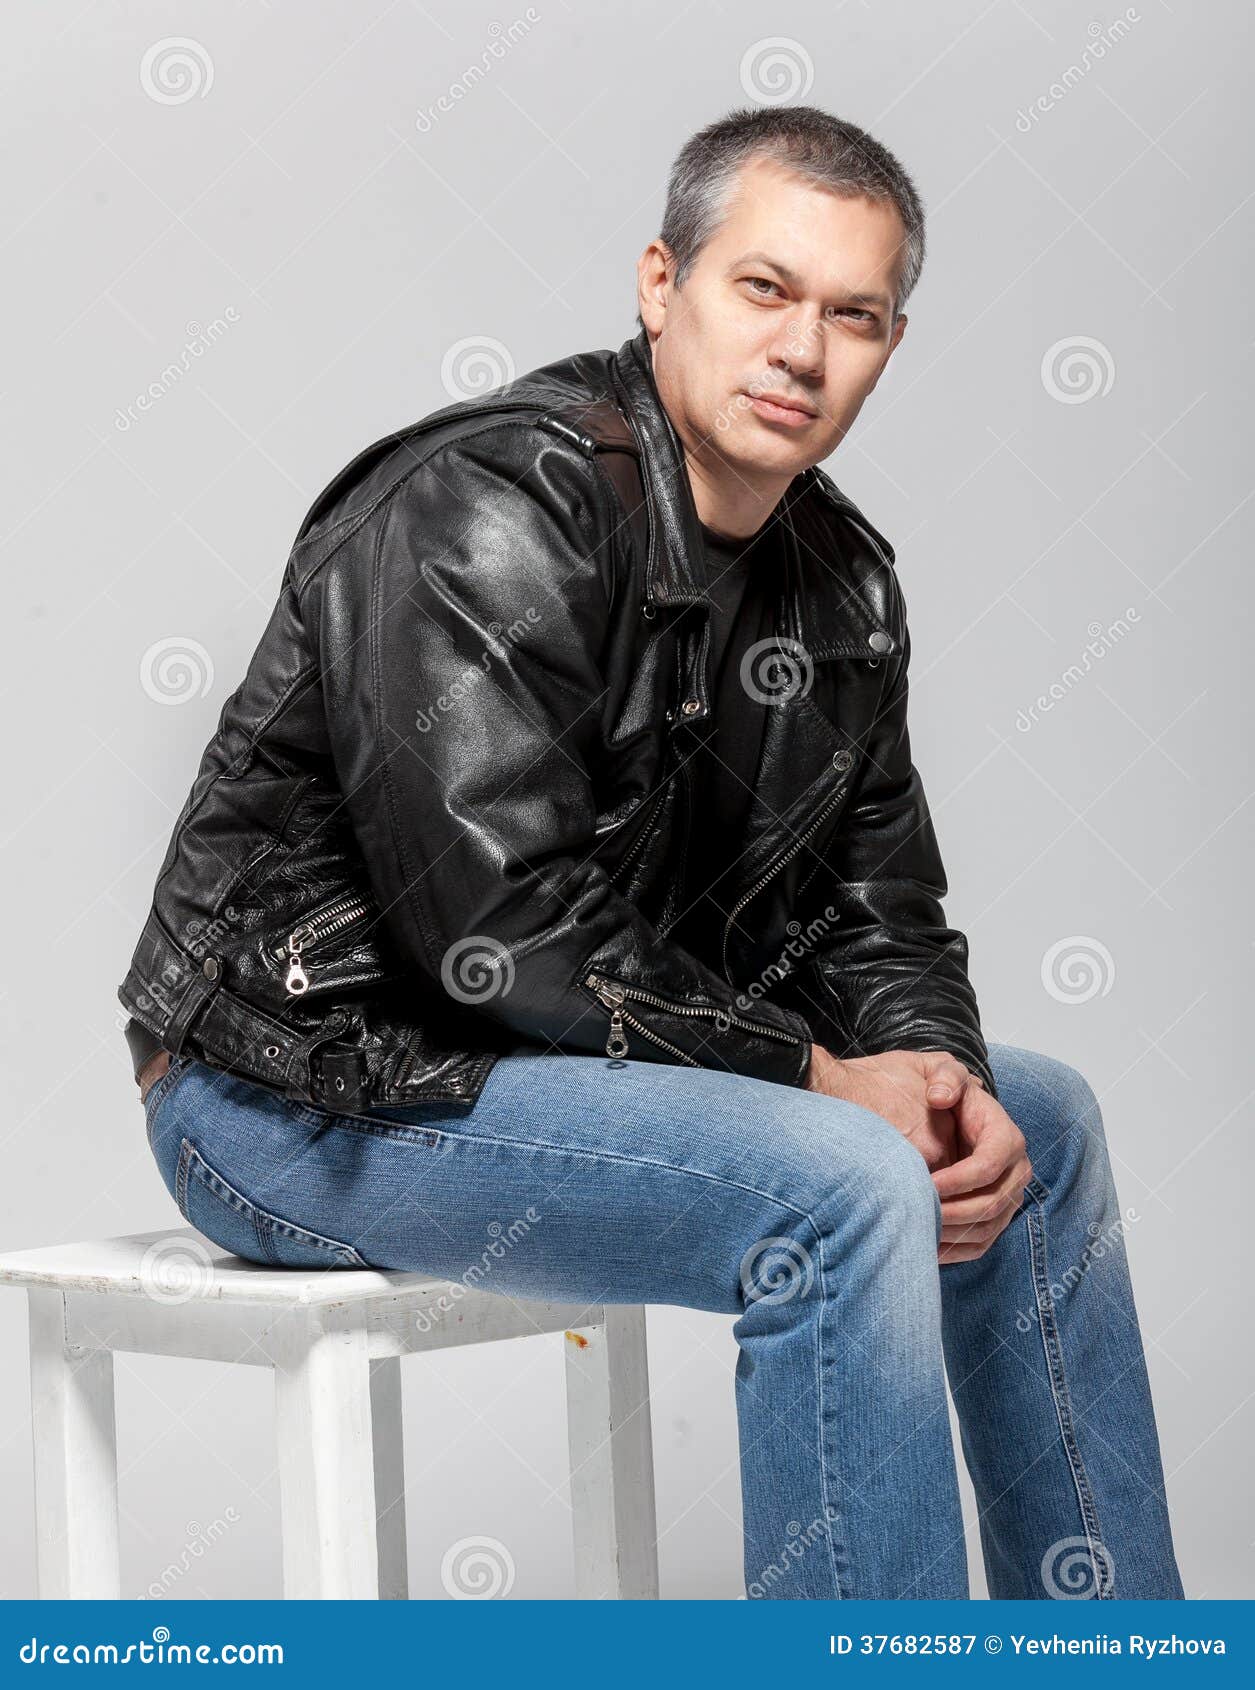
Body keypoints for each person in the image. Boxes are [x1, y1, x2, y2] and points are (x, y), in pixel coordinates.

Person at [124, 104, 1182, 1600]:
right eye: (764, 289)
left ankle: (1109, 1643)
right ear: (658, 285)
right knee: (836, 1180)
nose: (804, 351)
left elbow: (884, 914)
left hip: (541, 1070)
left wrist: (935, 1076)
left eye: (855, 316)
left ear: (890, 343)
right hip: (297, 1088)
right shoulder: (490, 505)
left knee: (1039, 1118)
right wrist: (824, 1082)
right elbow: (497, 929)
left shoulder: (841, 584)